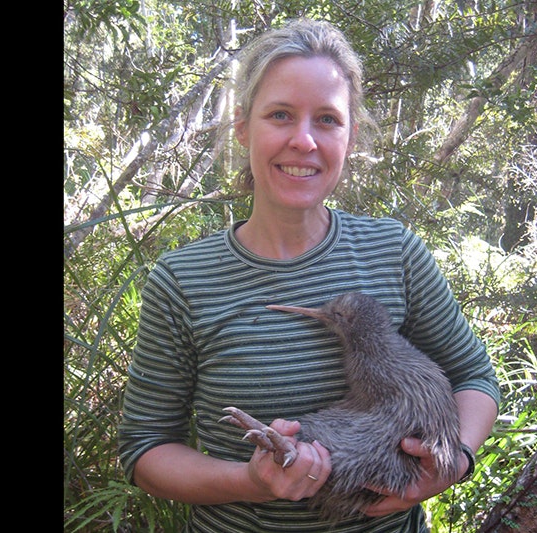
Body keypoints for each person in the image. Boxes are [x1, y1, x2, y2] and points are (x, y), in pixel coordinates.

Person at [118, 17, 500, 533]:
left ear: (350, 135)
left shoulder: (395, 251)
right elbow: (146, 449)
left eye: (327, 119)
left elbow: (473, 377)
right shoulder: (182, 280)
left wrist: (453, 462)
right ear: (242, 127)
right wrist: (250, 482)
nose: (303, 141)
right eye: (280, 114)